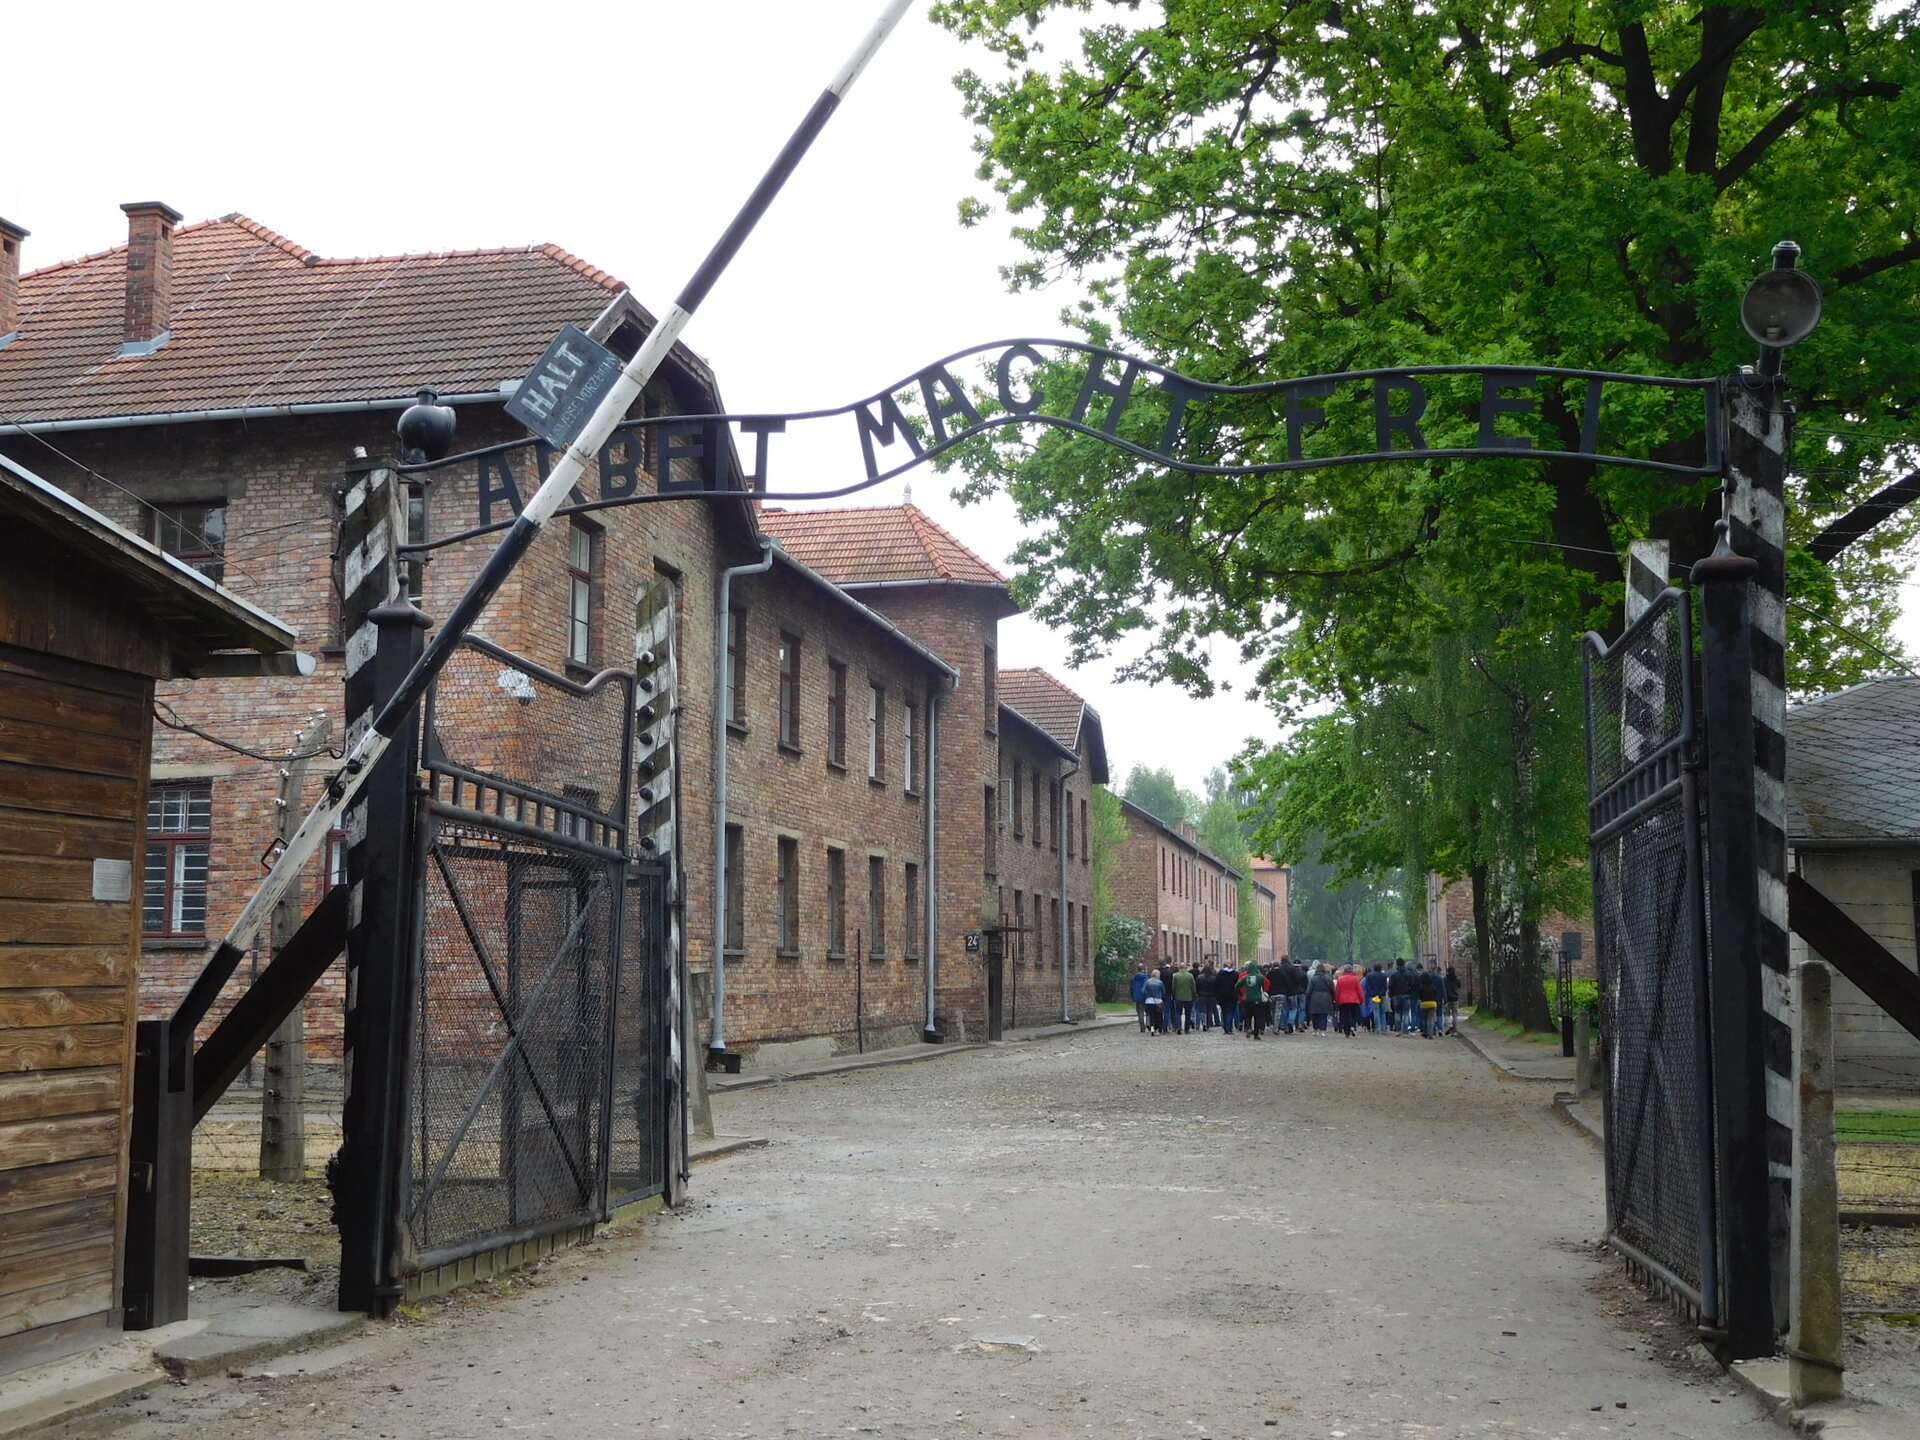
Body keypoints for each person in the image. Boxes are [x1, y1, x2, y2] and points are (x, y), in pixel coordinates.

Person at [1334, 964, 1364, 1036]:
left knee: (1345, 1015)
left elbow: (1338, 991)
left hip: (1343, 1000)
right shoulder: (1355, 979)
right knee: (1354, 1014)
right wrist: (1362, 1000)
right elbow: (1359, 990)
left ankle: (1346, 1031)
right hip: (1354, 999)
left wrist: (1336, 1000)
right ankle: (1353, 1026)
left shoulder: (1340, 979)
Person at [1305, 962, 1336, 1032]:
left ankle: (1315, 1028)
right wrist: (1333, 998)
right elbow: (1332, 990)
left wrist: (1307, 998)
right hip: (1326, 997)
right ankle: (1323, 1029)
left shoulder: (1313, 979)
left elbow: (1309, 990)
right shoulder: (1328, 978)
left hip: (1314, 997)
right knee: (1323, 1014)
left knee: (1315, 1014)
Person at [1239, 964, 1266, 1039]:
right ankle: (1256, 1035)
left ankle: (1248, 1028)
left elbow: (1236, 986)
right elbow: (1264, 986)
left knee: (1248, 1016)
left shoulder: (1245, 978)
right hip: (1257, 999)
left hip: (1248, 999)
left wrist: (1241, 994)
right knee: (1257, 1018)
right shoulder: (1260, 978)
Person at [1388, 960, 1415, 1034]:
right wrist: (1409, 992)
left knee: (1397, 1013)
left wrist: (1392, 994)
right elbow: (1412, 984)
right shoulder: (1408, 974)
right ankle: (1405, 1029)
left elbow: (1390, 986)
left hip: (1396, 996)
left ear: (1397, 964)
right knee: (1405, 1013)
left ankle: (1398, 1029)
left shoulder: (1394, 974)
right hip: (1406, 995)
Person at [1363, 962, 1389, 1034]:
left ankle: (1378, 1028)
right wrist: (1381, 993)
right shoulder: (1384, 976)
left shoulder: (1369, 976)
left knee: (1376, 1012)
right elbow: (1385, 986)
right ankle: (1384, 1028)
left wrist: (1372, 994)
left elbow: (1367, 986)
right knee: (1382, 1012)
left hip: (1373, 996)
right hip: (1382, 996)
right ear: (1381, 968)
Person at [1415, 963, 1441, 1037]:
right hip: (1433, 1004)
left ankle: (1425, 1032)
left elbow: (1419, 995)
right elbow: (1435, 994)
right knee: (1431, 1019)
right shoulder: (1433, 987)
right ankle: (1431, 1033)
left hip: (1424, 1004)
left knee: (1425, 1019)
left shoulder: (1421, 987)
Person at [1170, 963, 1197, 1034]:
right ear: (1185, 968)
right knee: (1188, 1014)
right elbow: (1193, 987)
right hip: (1188, 997)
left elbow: (1173, 987)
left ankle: (1178, 1027)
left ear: (1180, 968)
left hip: (1178, 997)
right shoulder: (1190, 976)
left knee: (1178, 1013)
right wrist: (1194, 996)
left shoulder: (1176, 976)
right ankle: (1187, 1029)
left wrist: (1173, 995)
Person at [1141, 966, 1167, 1035]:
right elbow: (1164, 992)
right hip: (1158, 1001)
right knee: (1158, 1016)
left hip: (1149, 1001)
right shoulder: (1160, 982)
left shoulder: (1147, 982)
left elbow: (1143, 991)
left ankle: (1152, 1029)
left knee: (1151, 1016)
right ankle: (1157, 1029)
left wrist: (1147, 995)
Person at [1217, 961, 1240, 1035]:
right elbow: (1238, 985)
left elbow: (1216, 985)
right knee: (1230, 1011)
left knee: (1224, 1011)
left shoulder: (1220, 974)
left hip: (1222, 994)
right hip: (1232, 994)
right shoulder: (1236, 974)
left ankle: (1225, 1027)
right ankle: (1229, 1028)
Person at [1196, 962, 1218, 1030]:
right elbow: (1216, 987)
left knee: (1202, 1010)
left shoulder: (1199, 977)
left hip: (1202, 996)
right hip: (1211, 996)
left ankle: (1203, 1023)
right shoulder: (1214, 978)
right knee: (1209, 1011)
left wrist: (1198, 993)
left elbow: (1197, 987)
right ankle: (1208, 1024)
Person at [1130, 963, 1151, 1033]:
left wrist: (1133, 996)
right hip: (1146, 997)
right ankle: (1148, 1023)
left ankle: (1142, 1027)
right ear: (1143, 968)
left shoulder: (1134, 978)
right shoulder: (1147, 977)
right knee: (1149, 1011)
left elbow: (1132, 988)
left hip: (1138, 997)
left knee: (1140, 1013)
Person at [1443, 964, 1462, 1035]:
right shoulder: (1457, 979)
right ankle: (1455, 1030)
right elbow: (1459, 986)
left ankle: (1450, 1025)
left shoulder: (1445, 979)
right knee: (1455, 1014)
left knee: (1446, 1014)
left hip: (1447, 998)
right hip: (1455, 998)